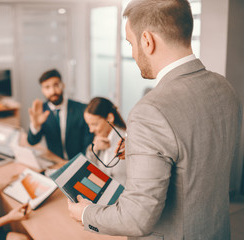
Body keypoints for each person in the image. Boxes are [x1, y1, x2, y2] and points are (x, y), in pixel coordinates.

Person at [68, 0, 242, 239]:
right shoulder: (225, 88)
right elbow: (197, 155)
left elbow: (135, 219)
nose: (132, 52)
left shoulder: (150, 110)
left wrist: (86, 213)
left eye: (130, 43)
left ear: (147, 41)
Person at [27, 69, 93, 160]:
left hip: (79, 162)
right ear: (42, 90)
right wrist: (36, 125)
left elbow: (88, 142)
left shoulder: (81, 109)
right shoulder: (41, 111)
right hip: (56, 163)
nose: (53, 91)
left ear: (63, 85)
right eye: (47, 87)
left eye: (56, 85)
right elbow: (32, 142)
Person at [84, 97, 127, 186]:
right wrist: (93, 150)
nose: (91, 130)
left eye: (94, 124)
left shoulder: (126, 143)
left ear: (110, 118)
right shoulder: (100, 138)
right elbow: (89, 172)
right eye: (89, 125)